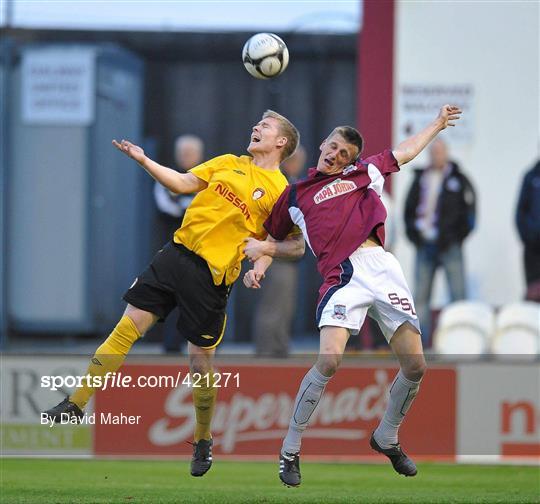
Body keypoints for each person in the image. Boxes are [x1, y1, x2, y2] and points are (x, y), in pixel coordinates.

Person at [43, 110, 303, 477]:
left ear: (281, 143)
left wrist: (259, 265)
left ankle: (202, 439)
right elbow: (181, 184)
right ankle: (77, 402)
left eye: (265, 125)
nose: (256, 127)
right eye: (256, 122)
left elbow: (285, 243)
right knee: (127, 326)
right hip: (176, 255)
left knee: (200, 364)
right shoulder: (229, 162)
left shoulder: (281, 191)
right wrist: (143, 159)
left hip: (212, 278)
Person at [243, 105, 462, 487]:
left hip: (381, 266)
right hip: (342, 273)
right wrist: (261, 261)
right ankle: (291, 447)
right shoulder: (295, 195)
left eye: (344, 153)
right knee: (329, 359)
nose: (335, 155)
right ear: (323, 144)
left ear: (352, 160)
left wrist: (438, 125)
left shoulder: (364, 173)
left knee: (416, 366)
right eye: (332, 147)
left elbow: (405, 152)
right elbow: (281, 242)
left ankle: (386, 436)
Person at [404, 139, 476, 345]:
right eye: (433, 153)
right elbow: (408, 209)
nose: (436, 156)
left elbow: (470, 212)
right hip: (425, 245)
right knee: (421, 298)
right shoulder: (420, 178)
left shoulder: (459, 179)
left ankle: (460, 342)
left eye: (440, 152)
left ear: (447, 153)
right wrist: (414, 236)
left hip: (450, 246)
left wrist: (457, 237)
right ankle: (422, 344)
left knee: (458, 296)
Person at [253, 145, 307, 357]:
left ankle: (279, 346)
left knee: (285, 306)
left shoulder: (293, 182)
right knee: (273, 305)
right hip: (274, 253)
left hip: (287, 255)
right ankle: (267, 350)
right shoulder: (279, 184)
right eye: (296, 160)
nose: (298, 165)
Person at [152, 134, 205, 353]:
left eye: (191, 153)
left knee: (203, 297)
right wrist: (190, 209)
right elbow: (165, 206)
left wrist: (188, 209)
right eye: (183, 153)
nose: (186, 157)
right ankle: (171, 345)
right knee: (173, 295)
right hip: (174, 247)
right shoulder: (167, 177)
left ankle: (204, 345)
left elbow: (211, 208)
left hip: (202, 250)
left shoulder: (208, 178)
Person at [516, 159, 540, 301]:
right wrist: (529, 236)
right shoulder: (531, 176)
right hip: (533, 248)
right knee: (533, 293)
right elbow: (520, 213)